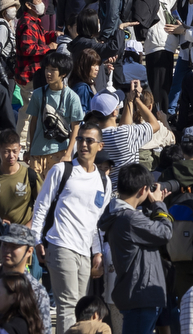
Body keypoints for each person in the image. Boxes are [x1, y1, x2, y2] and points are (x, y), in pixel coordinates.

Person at [30, 123, 113, 334]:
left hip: (85, 250)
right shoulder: (62, 170)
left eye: (89, 140)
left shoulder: (104, 181)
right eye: (80, 139)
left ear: (100, 146)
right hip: (60, 244)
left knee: (81, 307)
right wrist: (36, 240)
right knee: (67, 306)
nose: (83, 144)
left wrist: (98, 252)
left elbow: (97, 222)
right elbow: (42, 205)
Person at [100, 164, 174, 334]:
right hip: (141, 294)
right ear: (143, 190)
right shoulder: (129, 218)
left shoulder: (118, 213)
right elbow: (165, 232)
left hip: (139, 292)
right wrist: (158, 204)